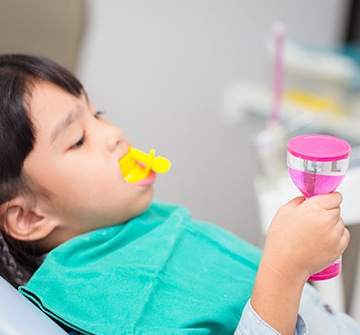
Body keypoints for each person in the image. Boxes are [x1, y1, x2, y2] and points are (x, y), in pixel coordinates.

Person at [0, 54, 359, 335]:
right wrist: (285, 269)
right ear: (28, 217)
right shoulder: (109, 307)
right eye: (78, 139)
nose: (114, 134)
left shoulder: (133, 227)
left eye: (99, 114)